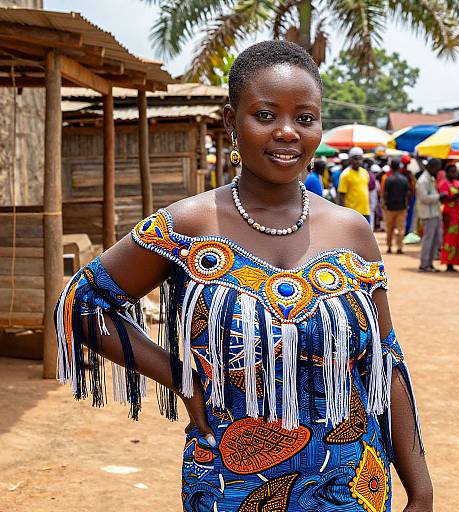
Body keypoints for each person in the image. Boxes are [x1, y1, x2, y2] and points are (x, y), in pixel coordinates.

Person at [54, 41, 432, 512]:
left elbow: (385, 363)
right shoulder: (186, 226)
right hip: (228, 484)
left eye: (305, 118)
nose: (287, 132)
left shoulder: (352, 231)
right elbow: (81, 304)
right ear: (233, 121)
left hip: (351, 486)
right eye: (267, 115)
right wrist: (179, 376)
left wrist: (421, 490)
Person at [416, 158, 442, 272]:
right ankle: (424, 264)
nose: (438, 170)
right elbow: (424, 198)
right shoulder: (423, 181)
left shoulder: (430, 179)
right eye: (437, 168)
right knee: (428, 240)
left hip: (434, 213)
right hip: (428, 214)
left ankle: (429, 263)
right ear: (431, 167)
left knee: (435, 240)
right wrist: (439, 197)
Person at [439, 164, 459, 271]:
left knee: (457, 239)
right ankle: (448, 262)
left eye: (455, 171)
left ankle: (455, 262)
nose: (454, 173)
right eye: (452, 171)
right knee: (449, 239)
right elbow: (443, 199)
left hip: (458, 214)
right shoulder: (444, 184)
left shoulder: (458, 183)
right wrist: (454, 196)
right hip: (449, 214)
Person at [337, 146, 371, 221]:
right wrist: (343, 213)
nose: (358, 161)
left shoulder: (364, 172)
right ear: (350, 159)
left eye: (360, 159)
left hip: (365, 211)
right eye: (355, 159)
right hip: (352, 213)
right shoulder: (345, 174)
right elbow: (341, 195)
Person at [383, 158, 410, 254]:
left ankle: (389, 247)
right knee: (400, 229)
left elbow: (385, 194)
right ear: (399, 167)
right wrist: (407, 204)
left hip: (390, 207)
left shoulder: (388, 179)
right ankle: (399, 247)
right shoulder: (404, 179)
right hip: (402, 207)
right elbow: (408, 193)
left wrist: (384, 204)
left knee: (389, 228)